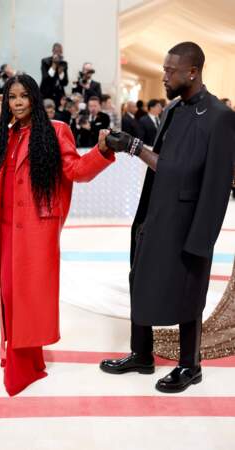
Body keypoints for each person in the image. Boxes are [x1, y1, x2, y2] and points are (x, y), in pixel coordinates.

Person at [100, 42, 235, 393]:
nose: (164, 76)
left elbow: (213, 181)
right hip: (157, 214)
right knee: (140, 278)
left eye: (170, 70)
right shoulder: (173, 110)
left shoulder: (221, 116)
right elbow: (163, 167)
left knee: (188, 294)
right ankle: (141, 354)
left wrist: (202, 238)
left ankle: (191, 366)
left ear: (192, 71)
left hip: (190, 221)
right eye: (164, 69)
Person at [0, 74, 114, 396]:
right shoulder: (1, 138)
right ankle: (27, 359)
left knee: (28, 298)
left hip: (36, 230)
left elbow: (75, 171)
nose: (18, 102)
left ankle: (23, 364)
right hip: (5, 229)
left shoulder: (56, 131)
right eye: (12, 97)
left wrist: (102, 150)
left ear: (35, 98)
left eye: (24, 96)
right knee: (11, 296)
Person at [40, 43, 68, 108]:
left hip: (58, 95)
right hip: (46, 94)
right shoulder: (45, 61)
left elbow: (65, 82)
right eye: (56, 51)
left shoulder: (64, 64)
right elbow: (46, 79)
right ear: (53, 51)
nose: (58, 54)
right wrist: (54, 65)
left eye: (60, 52)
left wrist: (61, 73)